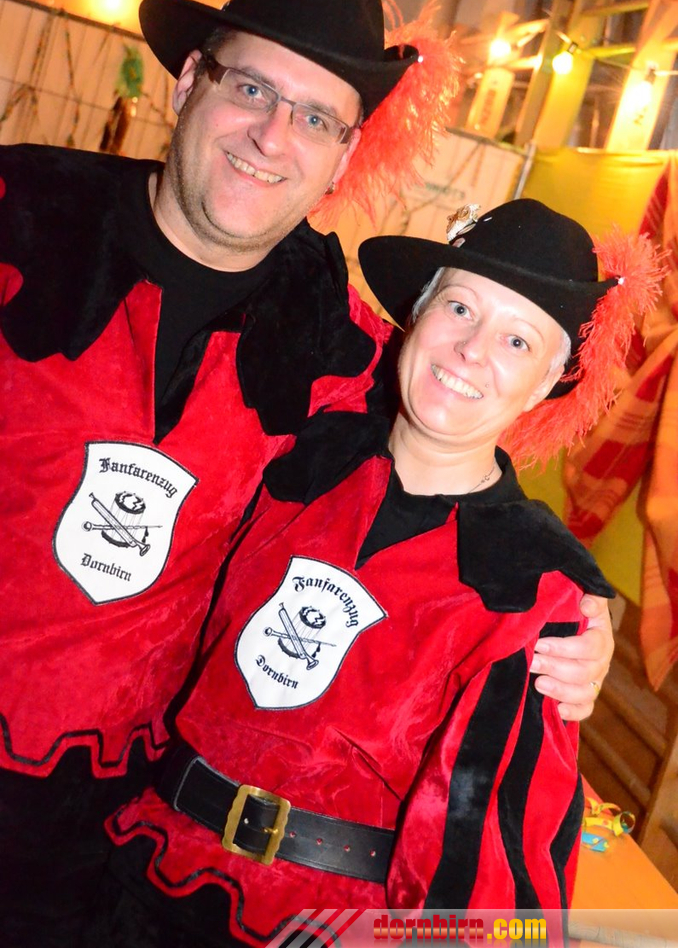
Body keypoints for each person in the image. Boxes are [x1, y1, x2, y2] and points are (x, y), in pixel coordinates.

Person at [0, 0, 610, 942]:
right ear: (190, 81)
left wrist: (571, 611)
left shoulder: (343, 351)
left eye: (317, 118)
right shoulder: (21, 220)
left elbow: (446, 456)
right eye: (251, 87)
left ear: (345, 152)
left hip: (105, 851)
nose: (274, 137)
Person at [86, 200, 662, 948]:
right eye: (459, 307)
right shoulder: (290, 454)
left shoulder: (531, 589)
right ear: (416, 313)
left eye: (517, 340)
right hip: (137, 867)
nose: (470, 350)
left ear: (547, 382)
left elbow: (494, 868)